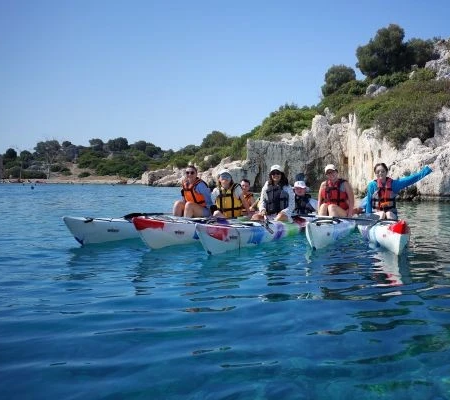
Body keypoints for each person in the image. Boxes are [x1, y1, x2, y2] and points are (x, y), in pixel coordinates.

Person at [365, 162, 433, 220]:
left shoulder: (394, 184)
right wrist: (368, 216)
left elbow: (410, 179)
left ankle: (392, 229)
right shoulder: (372, 186)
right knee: (382, 214)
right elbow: (368, 202)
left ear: (386, 172)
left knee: (388, 214)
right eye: (377, 172)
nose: (380, 173)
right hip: (377, 215)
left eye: (383, 171)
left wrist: (426, 170)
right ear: (375, 173)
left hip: (391, 215)